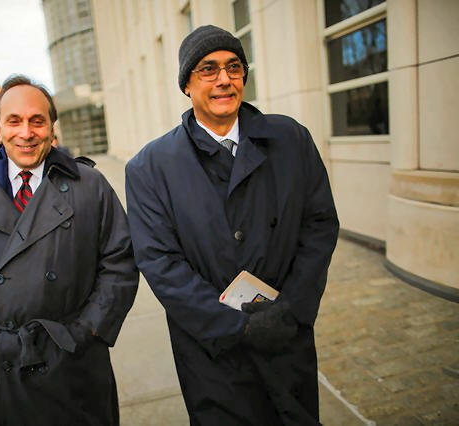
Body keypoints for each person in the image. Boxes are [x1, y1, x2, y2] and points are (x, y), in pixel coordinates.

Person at [125, 25, 339, 425]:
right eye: (208, 69)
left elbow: (319, 226)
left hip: (285, 338)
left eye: (234, 67)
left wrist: (290, 311)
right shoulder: (149, 167)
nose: (224, 79)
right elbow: (159, 262)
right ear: (186, 85)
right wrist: (234, 326)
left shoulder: (291, 139)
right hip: (210, 353)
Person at [0, 75, 138, 425]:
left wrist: (87, 332)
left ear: (52, 128)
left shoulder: (90, 185)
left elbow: (120, 263)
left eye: (37, 121)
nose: (26, 132)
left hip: (72, 362)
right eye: (14, 121)